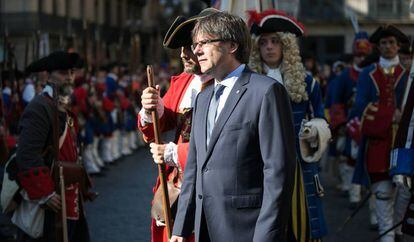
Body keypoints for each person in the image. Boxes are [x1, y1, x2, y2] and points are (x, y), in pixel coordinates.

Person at [170, 11, 296, 242]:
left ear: (232, 45)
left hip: (248, 230)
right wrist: (181, 228)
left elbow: (278, 172)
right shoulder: (202, 98)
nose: (196, 50)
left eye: (204, 43)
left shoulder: (266, 91)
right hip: (205, 228)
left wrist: (266, 237)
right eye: (195, 44)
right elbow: (195, 170)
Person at [247, 9, 331, 241]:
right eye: (263, 43)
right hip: (259, 166)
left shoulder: (306, 82)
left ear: (285, 45)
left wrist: (313, 130)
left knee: (300, 228)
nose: (270, 47)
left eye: (275, 41)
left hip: (297, 166)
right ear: (256, 48)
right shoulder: (247, 83)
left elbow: (321, 118)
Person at [138, 8, 217, 242]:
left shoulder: (226, 83)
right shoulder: (183, 81)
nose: (183, 54)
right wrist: (151, 109)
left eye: (189, 46)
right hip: (177, 185)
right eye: (181, 48)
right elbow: (157, 127)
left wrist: (175, 153)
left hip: (211, 186)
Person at [13, 51, 93, 242]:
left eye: (71, 72)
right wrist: (45, 193)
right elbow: (27, 154)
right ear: (47, 76)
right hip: (52, 198)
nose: (69, 78)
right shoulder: (39, 107)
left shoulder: (60, 105)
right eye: (63, 73)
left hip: (70, 198)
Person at [350, 25, 409, 242]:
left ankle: (397, 232)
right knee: (383, 195)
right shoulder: (367, 74)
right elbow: (359, 109)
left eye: (392, 42)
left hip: (405, 146)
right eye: (383, 43)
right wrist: (389, 115)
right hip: (378, 146)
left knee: (404, 193)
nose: (388, 46)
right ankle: (387, 237)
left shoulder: (408, 74)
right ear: (378, 46)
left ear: (398, 45)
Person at [329, 32, 372, 208]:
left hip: (371, 124)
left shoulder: (373, 72)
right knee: (349, 159)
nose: (361, 57)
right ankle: (354, 194)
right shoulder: (345, 75)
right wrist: (341, 123)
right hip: (350, 124)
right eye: (358, 54)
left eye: (364, 54)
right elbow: (336, 101)